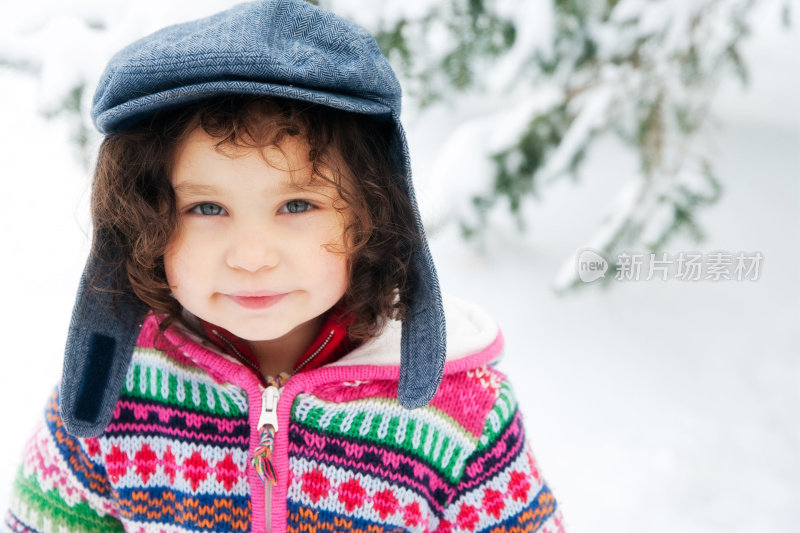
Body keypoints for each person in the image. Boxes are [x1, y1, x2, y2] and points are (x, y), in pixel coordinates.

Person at [4, 1, 566, 532]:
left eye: (297, 205)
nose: (251, 256)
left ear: (372, 213)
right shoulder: (110, 393)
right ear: (145, 218)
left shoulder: (462, 417)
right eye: (206, 207)